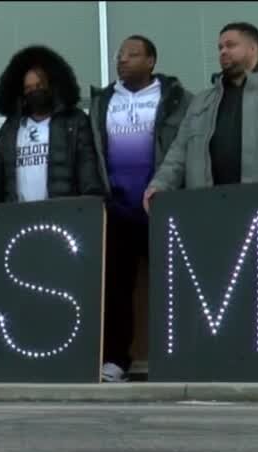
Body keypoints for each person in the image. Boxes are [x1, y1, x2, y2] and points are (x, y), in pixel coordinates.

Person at [89, 35, 192, 383]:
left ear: (151, 61)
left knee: (171, 285)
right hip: (117, 210)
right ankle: (116, 360)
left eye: (132, 54)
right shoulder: (103, 101)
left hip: (161, 206)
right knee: (116, 288)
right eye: (120, 55)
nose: (122, 60)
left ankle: (178, 357)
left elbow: (185, 148)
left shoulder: (176, 99)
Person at [145, 22, 258, 221]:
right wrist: (159, 185)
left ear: (253, 48)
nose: (223, 51)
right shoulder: (202, 101)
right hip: (209, 206)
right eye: (220, 47)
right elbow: (178, 152)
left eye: (231, 45)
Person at [0, 45, 105, 220]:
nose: (34, 92)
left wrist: (92, 202)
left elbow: (87, 164)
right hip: (19, 216)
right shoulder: (11, 127)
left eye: (39, 85)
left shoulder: (74, 121)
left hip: (63, 215)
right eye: (28, 89)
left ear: (52, 86)